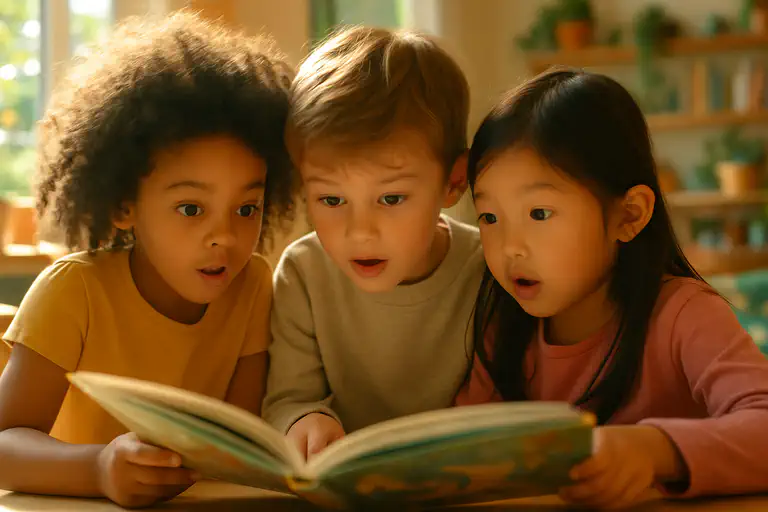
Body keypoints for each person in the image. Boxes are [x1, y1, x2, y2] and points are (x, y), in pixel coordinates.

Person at [0, 11, 294, 508]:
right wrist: (98, 468)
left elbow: (242, 443)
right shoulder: (72, 292)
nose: (224, 235)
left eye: (247, 208)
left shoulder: (253, 284)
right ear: (123, 206)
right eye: (190, 208)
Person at [455, 68, 768, 509]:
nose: (509, 248)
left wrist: (653, 450)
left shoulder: (684, 314)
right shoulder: (502, 326)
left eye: (540, 214)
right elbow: (462, 452)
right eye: (489, 218)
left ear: (629, 216)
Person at [261, 26, 485, 460]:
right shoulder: (303, 273)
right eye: (331, 199)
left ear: (454, 181)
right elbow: (285, 401)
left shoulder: (487, 270)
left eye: (391, 198)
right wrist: (305, 421)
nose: (359, 231)